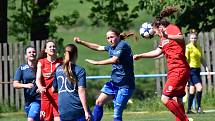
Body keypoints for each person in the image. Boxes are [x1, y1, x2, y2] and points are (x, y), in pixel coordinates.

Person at [133, 6, 190, 121]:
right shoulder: (163, 38)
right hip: (176, 70)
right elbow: (157, 52)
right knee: (177, 99)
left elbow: (181, 37)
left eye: (154, 30)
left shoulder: (171, 28)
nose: (154, 33)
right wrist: (141, 55)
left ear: (159, 27)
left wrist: (167, 36)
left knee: (165, 98)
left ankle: (185, 120)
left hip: (178, 69)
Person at [74, 28, 135, 121]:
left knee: (117, 113)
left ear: (118, 36)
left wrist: (97, 63)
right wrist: (81, 42)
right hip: (114, 83)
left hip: (125, 85)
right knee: (99, 102)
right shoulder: (111, 47)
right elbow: (98, 47)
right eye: (108, 38)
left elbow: (113, 60)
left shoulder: (123, 45)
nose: (110, 40)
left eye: (112, 37)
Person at [52, 44, 92, 121]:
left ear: (64, 54)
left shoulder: (58, 69)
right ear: (76, 55)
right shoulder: (80, 70)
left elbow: (53, 89)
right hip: (77, 109)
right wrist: (86, 111)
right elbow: (81, 92)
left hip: (63, 110)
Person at [36, 40, 62, 121]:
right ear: (45, 50)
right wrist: (40, 87)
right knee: (46, 119)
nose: (52, 48)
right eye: (50, 47)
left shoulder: (61, 61)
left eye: (54, 46)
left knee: (58, 118)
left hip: (58, 95)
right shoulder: (41, 62)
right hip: (46, 95)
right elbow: (37, 79)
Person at [185, 29, 210, 114]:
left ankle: (188, 109)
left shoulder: (199, 47)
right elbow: (186, 59)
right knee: (200, 88)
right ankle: (199, 108)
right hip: (191, 70)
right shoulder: (188, 47)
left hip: (197, 70)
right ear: (189, 39)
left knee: (192, 91)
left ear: (197, 38)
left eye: (195, 38)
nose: (194, 39)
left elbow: (201, 58)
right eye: (192, 38)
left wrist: (206, 68)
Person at [13, 46, 41, 121]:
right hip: (28, 101)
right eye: (29, 52)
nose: (32, 53)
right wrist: (26, 85)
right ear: (26, 56)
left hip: (39, 99)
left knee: (31, 119)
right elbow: (15, 84)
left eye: (33, 52)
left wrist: (41, 87)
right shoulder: (22, 68)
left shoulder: (41, 66)